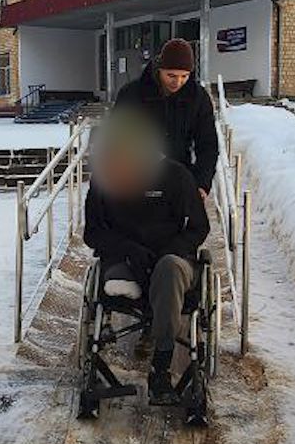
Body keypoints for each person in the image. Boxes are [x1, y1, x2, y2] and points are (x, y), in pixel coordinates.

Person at [83, 109, 210, 403]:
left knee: (169, 270)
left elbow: (199, 228)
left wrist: (171, 249)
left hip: (172, 261)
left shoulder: (176, 176)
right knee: (122, 276)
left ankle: (161, 367)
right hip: (125, 262)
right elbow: (93, 233)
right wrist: (127, 249)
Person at [112, 37, 220, 197]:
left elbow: (208, 144)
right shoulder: (131, 94)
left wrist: (202, 183)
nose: (178, 82)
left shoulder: (198, 98)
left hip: (180, 179)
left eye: (184, 76)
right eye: (171, 75)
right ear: (159, 69)